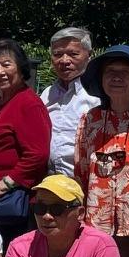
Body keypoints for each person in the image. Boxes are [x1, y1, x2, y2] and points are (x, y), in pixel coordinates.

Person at [74, 44, 129, 257]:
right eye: (110, 72)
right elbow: (81, 170)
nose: (117, 78)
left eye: (125, 73)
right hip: (98, 220)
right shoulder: (90, 119)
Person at [0, 39, 51, 245]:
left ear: (21, 67)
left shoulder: (29, 104)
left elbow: (37, 155)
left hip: (11, 201)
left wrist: (0, 187)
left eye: (7, 64)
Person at [41, 27, 100, 178]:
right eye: (57, 54)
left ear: (89, 55)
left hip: (85, 185)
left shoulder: (98, 96)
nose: (65, 61)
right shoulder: (47, 95)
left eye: (73, 54)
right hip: (47, 184)